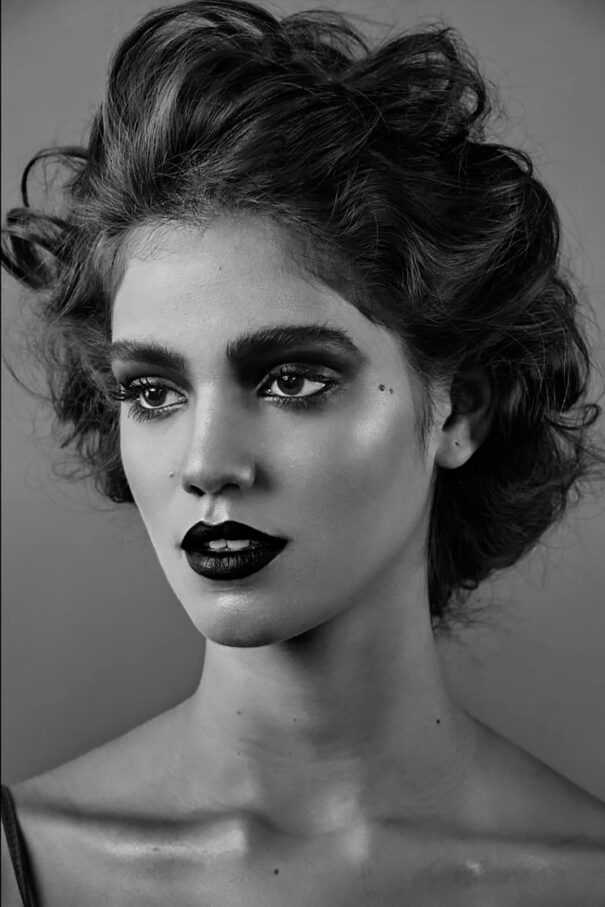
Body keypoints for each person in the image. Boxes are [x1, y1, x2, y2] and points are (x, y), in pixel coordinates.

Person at [2, 1, 605, 903]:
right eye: (153, 392)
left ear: (458, 410)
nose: (207, 463)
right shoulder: (23, 863)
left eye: (290, 379)